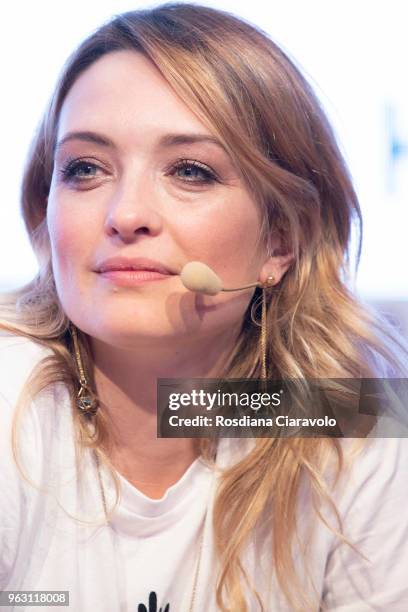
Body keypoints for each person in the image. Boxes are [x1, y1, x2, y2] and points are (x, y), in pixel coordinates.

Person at [1, 3, 407, 611]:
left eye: (190, 170)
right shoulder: (12, 394)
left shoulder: (351, 415)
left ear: (281, 241)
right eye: (84, 168)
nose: (126, 214)